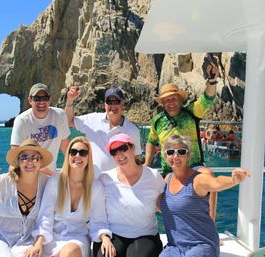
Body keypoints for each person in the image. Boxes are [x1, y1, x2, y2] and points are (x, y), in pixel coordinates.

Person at [144, 62, 219, 219]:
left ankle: (210, 223)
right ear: (162, 103)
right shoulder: (157, 120)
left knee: (209, 175)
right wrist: (147, 164)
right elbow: (151, 140)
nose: (170, 103)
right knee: (160, 202)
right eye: (166, 100)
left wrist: (212, 81)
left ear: (180, 99)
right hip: (169, 170)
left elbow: (207, 99)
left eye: (173, 99)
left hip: (194, 166)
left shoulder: (192, 113)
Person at [159, 134, 251, 257]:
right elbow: (158, 205)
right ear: (165, 156)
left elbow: (216, 182)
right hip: (174, 247)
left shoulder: (198, 179)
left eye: (181, 152)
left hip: (201, 244)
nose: (175, 156)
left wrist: (233, 180)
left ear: (188, 155)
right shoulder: (167, 179)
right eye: (170, 152)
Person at [0, 139, 53, 257]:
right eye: (24, 157)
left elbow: (48, 216)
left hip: (26, 240)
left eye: (35, 157)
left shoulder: (47, 183)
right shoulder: (3, 182)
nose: (30, 161)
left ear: (40, 161)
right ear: (18, 161)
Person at [31, 137, 109, 257]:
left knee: (69, 252)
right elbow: (45, 215)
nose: (77, 156)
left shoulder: (96, 187)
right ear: (68, 156)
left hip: (77, 239)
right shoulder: (55, 181)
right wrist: (39, 242)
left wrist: (105, 238)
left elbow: (99, 220)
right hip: (52, 237)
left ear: (89, 158)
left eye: (83, 153)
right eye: (73, 152)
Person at [92, 133, 165, 257]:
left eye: (123, 148)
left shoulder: (153, 176)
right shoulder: (105, 179)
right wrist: (104, 237)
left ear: (132, 148)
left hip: (145, 235)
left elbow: (168, 202)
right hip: (113, 234)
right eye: (114, 151)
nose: (119, 154)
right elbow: (97, 214)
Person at [65, 85, 141, 176]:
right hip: (92, 181)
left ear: (122, 104)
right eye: (109, 101)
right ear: (105, 104)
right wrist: (70, 101)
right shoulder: (93, 119)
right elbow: (69, 122)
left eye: (116, 101)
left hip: (118, 184)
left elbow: (136, 159)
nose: (113, 105)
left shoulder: (132, 130)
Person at [11, 83, 70, 174]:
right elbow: (14, 155)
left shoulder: (60, 115)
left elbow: (65, 145)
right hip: (29, 175)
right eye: (37, 98)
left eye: (45, 98)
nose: (41, 102)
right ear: (30, 100)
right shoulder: (22, 121)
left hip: (51, 177)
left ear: (50, 99)